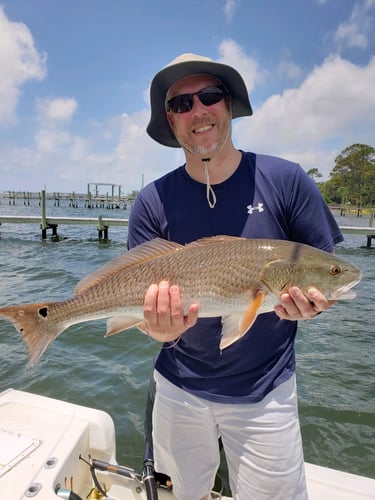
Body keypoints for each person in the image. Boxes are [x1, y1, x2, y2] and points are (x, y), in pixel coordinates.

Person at [127, 53, 343, 500]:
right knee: (183, 494)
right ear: (169, 120)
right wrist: (155, 328)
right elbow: (142, 308)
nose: (198, 111)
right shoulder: (151, 202)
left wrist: (315, 306)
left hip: (267, 390)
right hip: (178, 384)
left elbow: (324, 272)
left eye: (209, 96)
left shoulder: (286, 181)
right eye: (181, 104)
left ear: (228, 104)